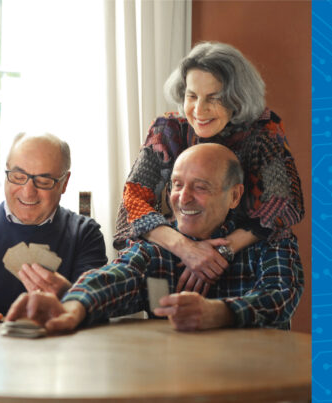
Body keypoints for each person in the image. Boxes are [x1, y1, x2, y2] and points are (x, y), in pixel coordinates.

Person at [7, 143, 303, 332]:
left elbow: (279, 297)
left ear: (235, 195)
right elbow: (119, 277)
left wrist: (220, 313)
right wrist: (72, 306)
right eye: (176, 185)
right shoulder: (158, 249)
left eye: (200, 187)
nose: (183, 198)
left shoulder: (271, 242)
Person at [114, 42, 304, 295]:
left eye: (214, 98)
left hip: (246, 259)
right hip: (176, 255)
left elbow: (285, 203)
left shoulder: (263, 131)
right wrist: (186, 249)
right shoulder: (168, 129)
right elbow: (133, 199)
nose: (199, 110)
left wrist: (218, 253)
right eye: (192, 96)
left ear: (237, 98)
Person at [0, 132, 108, 322]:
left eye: (44, 181)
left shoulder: (85, 235)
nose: (28, 191)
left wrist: (71, 296)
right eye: (18, 176)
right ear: (6, 173)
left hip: (56, 346)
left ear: (64, 183)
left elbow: (101, 310)